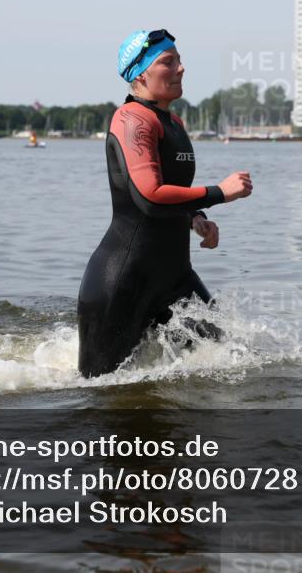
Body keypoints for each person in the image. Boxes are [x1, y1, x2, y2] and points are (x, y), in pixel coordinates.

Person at [77, 29, 253, 377]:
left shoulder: (173, 122)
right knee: (100, 392)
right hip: (124, 280)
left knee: (234, 363)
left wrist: (195, 217)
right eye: (168, 62)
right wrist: (219, 193)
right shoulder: (131, 120)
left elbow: (171, 188)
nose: (180, 68)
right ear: (141, 73)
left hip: (174, 277)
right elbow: (149, 197)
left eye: (179, 61)